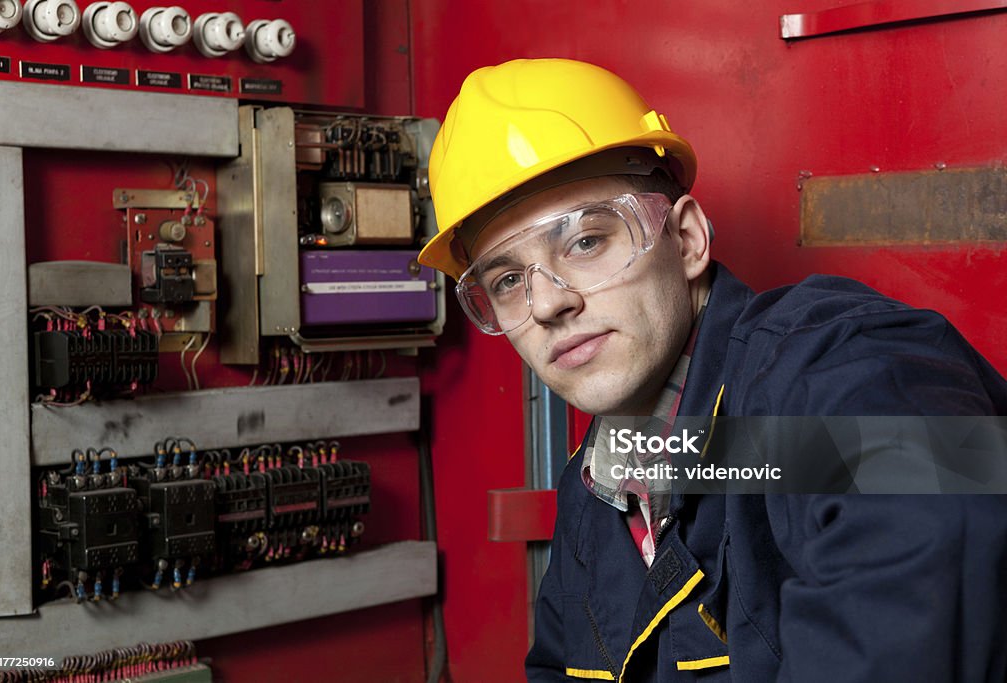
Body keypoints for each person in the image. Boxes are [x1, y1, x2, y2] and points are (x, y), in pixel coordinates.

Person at [417, 58, 1007, 682]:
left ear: (688, 239)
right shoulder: (600, 486)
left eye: (586, 241)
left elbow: (931, 531)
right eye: (508, 280)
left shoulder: (832, 367)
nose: (546, 303)